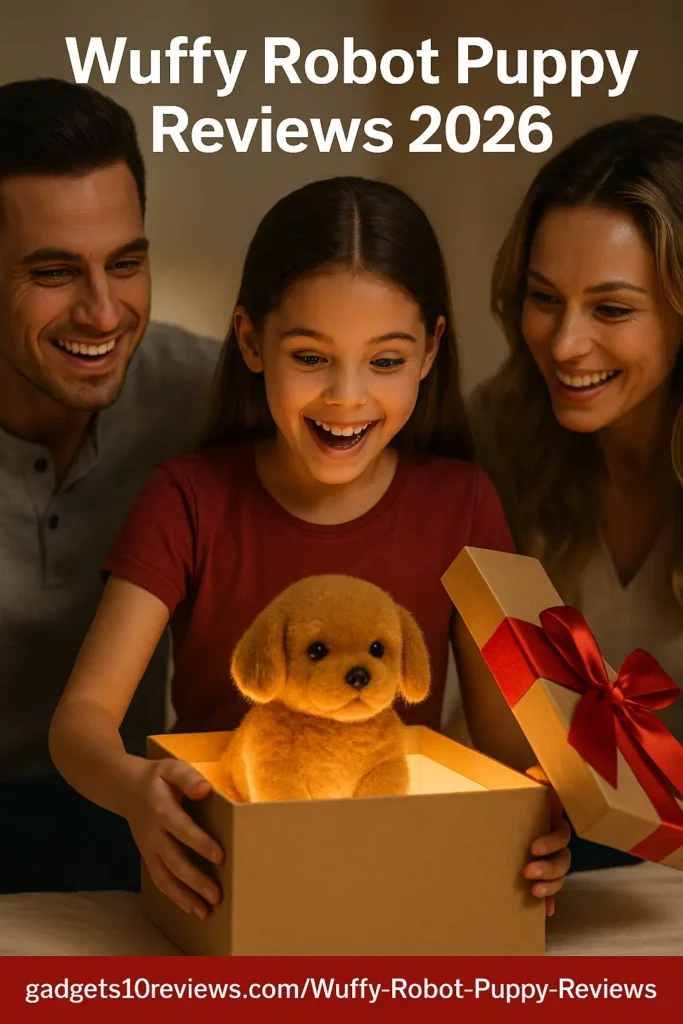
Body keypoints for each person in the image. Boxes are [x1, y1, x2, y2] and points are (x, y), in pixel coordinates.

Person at [50, 176, 571, 921]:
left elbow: (504, 743)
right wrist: (136, 791)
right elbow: (81, 721)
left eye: (385, 361)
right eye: (311, 357)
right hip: (229, 882)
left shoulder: (462, 502)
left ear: (430, 352)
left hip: (400, 879)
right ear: (250, 342)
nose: (346, 397)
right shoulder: (189, 497)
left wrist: (539, 816)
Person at [0, 78, 219, 894]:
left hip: (123, 814)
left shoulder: (202, 396)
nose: (102, 312)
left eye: (124, 264)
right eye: (55, 271)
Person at [469, 114, 683, 870]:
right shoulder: (487, 441)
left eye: (612, 309)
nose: (563, 344)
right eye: (543, 297)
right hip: (532, 870)